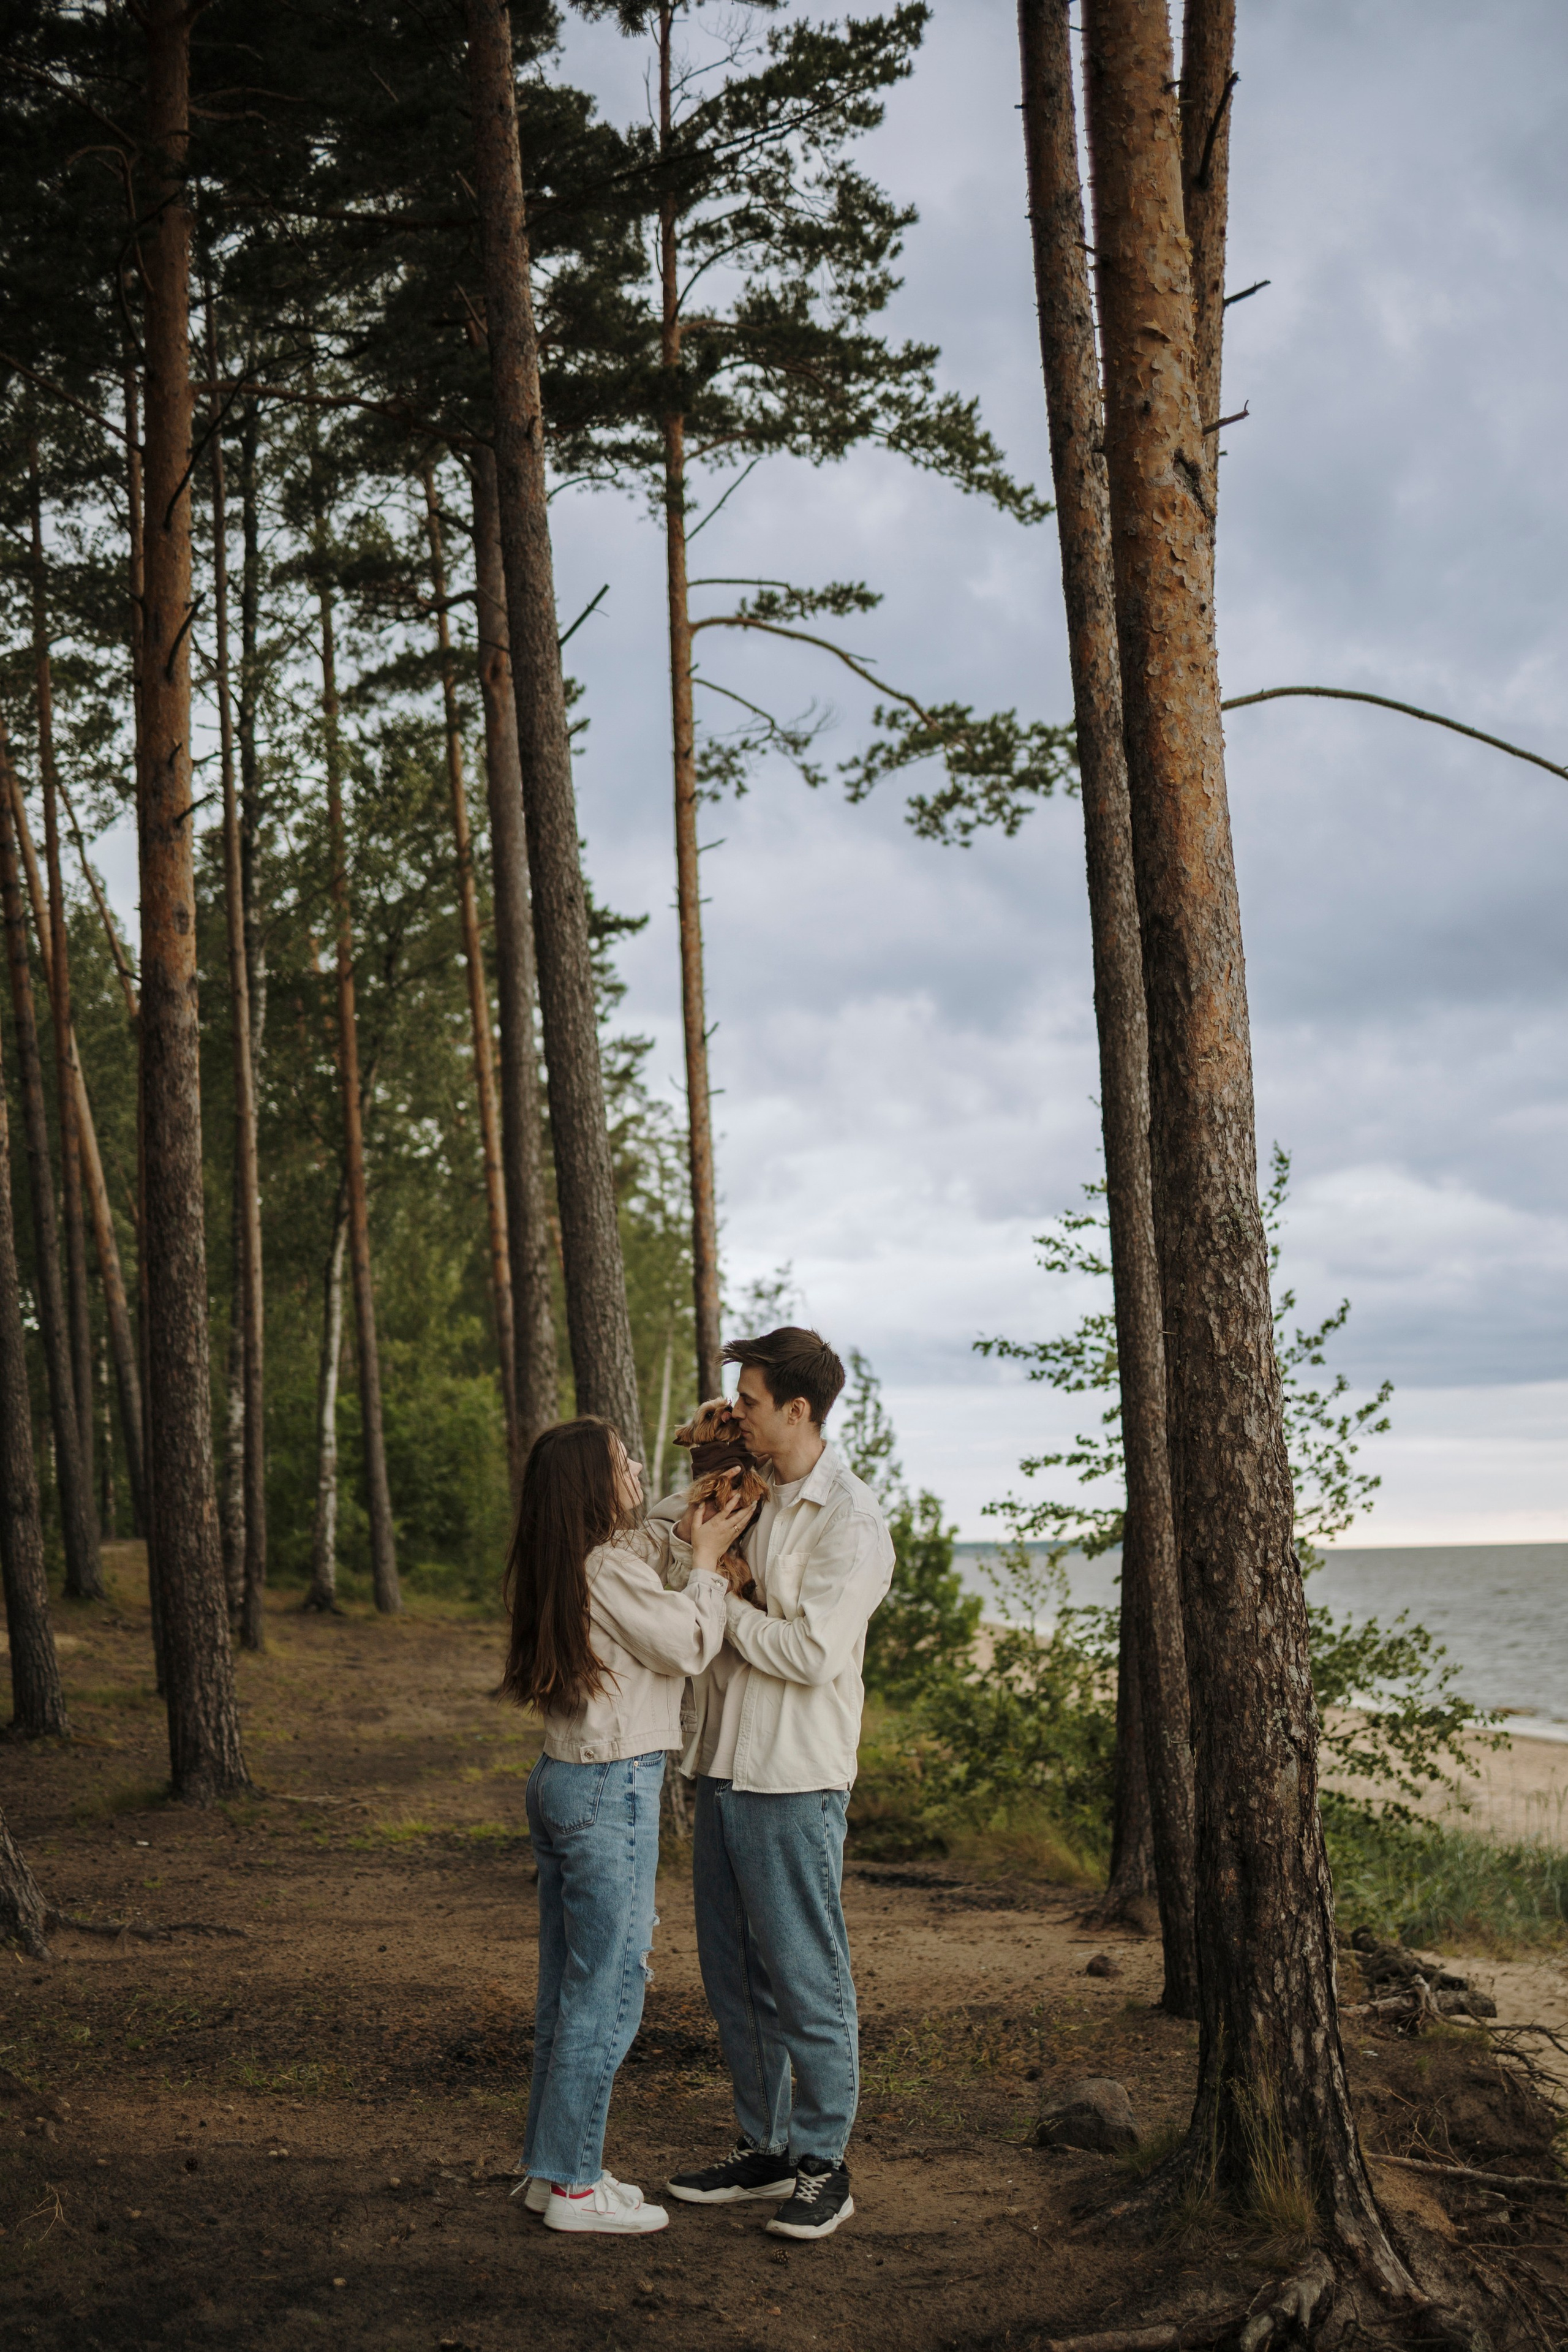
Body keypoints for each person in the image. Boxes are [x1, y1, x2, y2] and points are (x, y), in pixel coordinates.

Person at [651, 1329, 895, 2242]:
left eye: (749, 1402)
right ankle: (766, 2146)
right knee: (733, 1977)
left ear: (799, 1410)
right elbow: (672, 1535)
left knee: (805, 1976)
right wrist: (704, 1443)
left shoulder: (852, 1523)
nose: (738, 1412)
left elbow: (812, 1653)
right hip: (719, 1766)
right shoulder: (745, 1490)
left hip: (794, 1779)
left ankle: (824, 2164)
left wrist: (721, 1602)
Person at [501, 1414, 753, 2236]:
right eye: (621, 1459)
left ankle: (552, 2173)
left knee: (569, 1992)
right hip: (612, 1788)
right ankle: (576, 2187)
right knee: (607, 1992)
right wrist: (711, 1566)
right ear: (589, 1485)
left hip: (568, 1780)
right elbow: (686, 1641)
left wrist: (700, 1503)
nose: (638, 1466)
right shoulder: (604, 1567)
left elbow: (652, 1541)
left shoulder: (579, 1562)